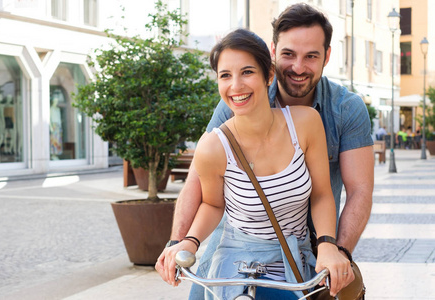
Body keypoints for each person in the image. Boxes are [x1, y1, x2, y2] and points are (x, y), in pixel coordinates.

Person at [156, 3, 374, 299]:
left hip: (306, 250)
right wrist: (179, 242)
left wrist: (336, 250)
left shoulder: (338, 111)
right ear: (274, 55)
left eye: (311, 56)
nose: (298, 67)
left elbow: (357, 190)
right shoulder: (235, 101)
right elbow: (200, 184)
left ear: (327, 56)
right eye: (288, 54)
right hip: (236, 251)